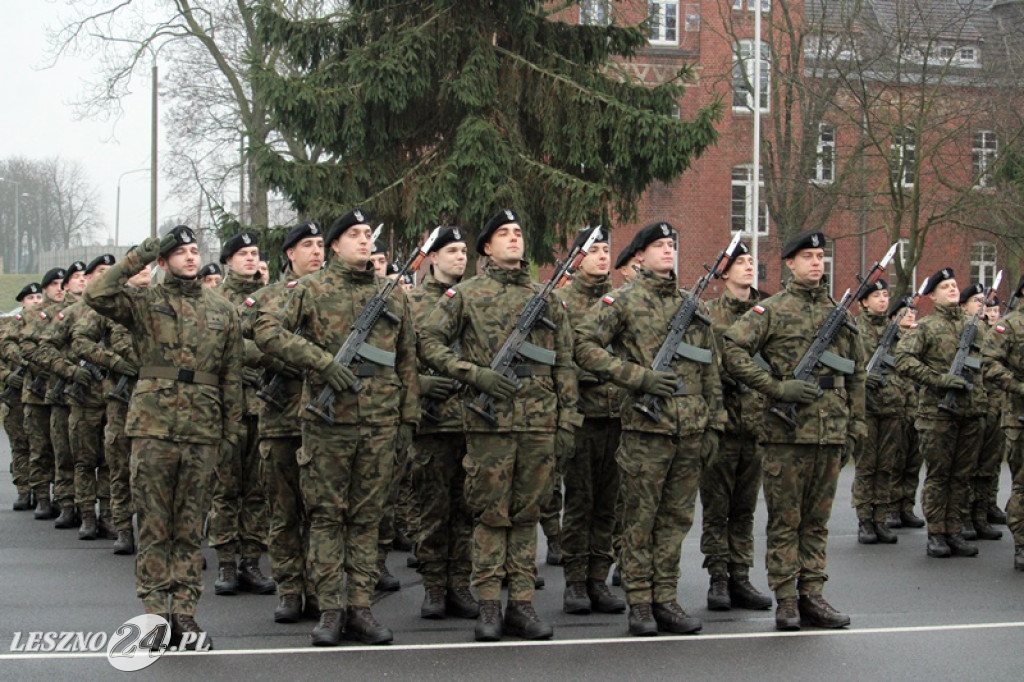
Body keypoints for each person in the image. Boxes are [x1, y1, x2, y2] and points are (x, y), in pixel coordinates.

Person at [254, 208, 419, 646]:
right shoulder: (310, 289)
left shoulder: (391, 294)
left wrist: (408, 419)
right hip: (328, 424)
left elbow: (406, 360)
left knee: (366, 519)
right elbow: (264, 329)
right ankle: (329, 609)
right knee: (327, 518)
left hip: (380, 423)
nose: (364, 241)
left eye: (367, 234)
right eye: (354, 235)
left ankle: (360, 607)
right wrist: (320, 361)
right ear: (335, 245)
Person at [419, 208, 579, 642]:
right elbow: (427, 342)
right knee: (490, 516)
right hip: (489, 423)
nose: (514, 239)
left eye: (518, 232)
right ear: (486, 247)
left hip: (539, 422)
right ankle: (489, 604)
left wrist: (568, 419)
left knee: (527, 515)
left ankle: (522, 605)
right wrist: (472, 374)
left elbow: (564, 361)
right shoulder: (465, 295)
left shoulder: (546, 297)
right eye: (503, 234)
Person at [83, 225, 244, 648]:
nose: (190, 257)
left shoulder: (222, 308)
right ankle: (155, 615)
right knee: (154, 525)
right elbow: (97, 293)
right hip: (153, 426)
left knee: (190, 527)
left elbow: (232, 374)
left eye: (194, 251)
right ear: (163, 261)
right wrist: (144, 251)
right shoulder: (145, 301)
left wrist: (231, 432)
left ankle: (185, 614)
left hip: (202, 428)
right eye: (179, 251)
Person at [575, 221, 723, 637]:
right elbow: (583, 345)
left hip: (689, 429)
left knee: (676, 520)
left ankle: (666, 598)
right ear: (639, 255)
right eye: (658, 245)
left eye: (671, 244)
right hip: (646, 428)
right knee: (640, 520)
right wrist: (637, 377)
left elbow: (709, 366)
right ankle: (640, 601)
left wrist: (715, 422)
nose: (667, 251)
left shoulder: (692, 305)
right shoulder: (621, 300)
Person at [723, 229, 863, 631]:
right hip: (786, 433)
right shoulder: (772, 310)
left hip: (829, 431)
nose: (816, 263)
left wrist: (856, 424)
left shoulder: (840, 314)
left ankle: (812, 595)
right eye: (808, 257)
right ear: (790, 263)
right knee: (785, 520)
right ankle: (786, 598)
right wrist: (775, 387)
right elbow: (731, 350)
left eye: (820, 256)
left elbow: (857, 372)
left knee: (817, 522)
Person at [248, 221, 325, 623]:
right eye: (307, 245)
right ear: (290, 253)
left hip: (325, 419)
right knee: (284, 511)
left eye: (320, 244)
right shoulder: (268, 296)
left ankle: (318, 588)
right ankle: (290, 589)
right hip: (281, 418)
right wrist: (280, 361)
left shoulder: (332, 294)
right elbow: (236, 341)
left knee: (321, 512)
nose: (316, 251)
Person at [552, 226, 627, 617]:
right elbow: (558, 358)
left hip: (619, 416)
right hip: (582, 415)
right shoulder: (561, 301)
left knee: (609, 504)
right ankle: (576, 581)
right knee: (580, 502)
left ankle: (599, 576)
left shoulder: (622, 300)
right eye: (594, 250)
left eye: (605, 250)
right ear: (578, 257)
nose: (602, 256)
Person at [405, 225, 479, 620]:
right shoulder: (411, 302)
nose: (460, 257)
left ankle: (460, 583)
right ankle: (434, 586)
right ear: (432, 257)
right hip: (432, 423)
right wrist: (420, 384)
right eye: (452, 251)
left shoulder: (475, 298)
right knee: (433, 509)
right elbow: (396, 360)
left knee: (467, 509)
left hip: (472, 419)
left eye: (464, 251)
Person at [700, 241, 773, 611]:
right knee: (717, 506)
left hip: (757, 424)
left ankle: (740, 576)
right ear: (724, 272)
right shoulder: (709, 313)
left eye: (750, 261)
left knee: (745, 508)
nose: (748, 266)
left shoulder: (768, 313)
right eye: (740, 262)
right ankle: (717, 577)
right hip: (723, 421)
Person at [894, 269, 984, 559]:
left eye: (954, 285)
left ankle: (954, 530)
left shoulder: (974, 326)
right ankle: (936, 533)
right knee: (939, 476)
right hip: (937, 414)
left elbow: (988, 362)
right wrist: (939, 379)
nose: (952, 289)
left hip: (970, 412)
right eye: (945, 287)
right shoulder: (926, 327)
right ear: (932, 295)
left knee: (961, 477)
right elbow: (903, 360)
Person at [209, 231, 276, 597]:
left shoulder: (270, 296)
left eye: (254, 253)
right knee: (225, 488)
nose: (250, 259)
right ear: (228, 261)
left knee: (256, 489)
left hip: (263, 406)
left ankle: (251, 561)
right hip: (227, 408)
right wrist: (245, 360)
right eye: (243, 254)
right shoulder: (214, 299)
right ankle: (226, 563)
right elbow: (212, 346)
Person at [36, 256, 118, 541]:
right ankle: (86, 514)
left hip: (116, 400)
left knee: (110, 463)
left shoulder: (122, 310)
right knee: (82, 461)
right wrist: (70, 371)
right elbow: (44, 349)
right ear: (89, 278)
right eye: (100, 272)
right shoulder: (72, 313)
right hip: (83, 400)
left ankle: (108, 514)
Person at [73, 260, 150, 555]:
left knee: (157, 471)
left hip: (158, 400)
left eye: (148, 267)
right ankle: (123, 528)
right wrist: (113, 362)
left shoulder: (163, 302)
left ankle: (157, 535)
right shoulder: (112, 306)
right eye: (138, 266)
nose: (144, 271)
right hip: (122, 401)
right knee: (118, 466)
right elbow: (80, 341)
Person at [851, 278, 900, 545]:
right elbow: (846, 361)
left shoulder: (894, 330)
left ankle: (880, 518)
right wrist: (861, 377)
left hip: (891, 405)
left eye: (885, 295)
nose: (882, 300)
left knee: (886, 466)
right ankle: (864, 520)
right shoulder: (854, 328)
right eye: (877, 296)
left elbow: (904, 363)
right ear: (864, 302)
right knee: (867, 466)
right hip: (865, 406)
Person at [956, 284, 1003, 542]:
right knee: (968, 466)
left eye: (983, 301)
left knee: (987, 465)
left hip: (992, 403)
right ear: (964, 306)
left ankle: (980, 515)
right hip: (970, 404)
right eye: (976, 300)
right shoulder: (961, 329)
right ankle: (963, 518)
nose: (982, 305)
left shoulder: (990, 332)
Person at [983, 280, 1024, 570]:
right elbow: (989, 364)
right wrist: (1020, 386)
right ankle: (1022, 544)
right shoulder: (1008, 326)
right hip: (1020, 416)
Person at [20, 267, 67, 521]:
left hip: (64, 392)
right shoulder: (33, 315)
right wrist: (42, 365)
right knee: (39, 448)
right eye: (54, 284)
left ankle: (63, 498)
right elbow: (20, 347)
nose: (59, 288)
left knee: (63, 450)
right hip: (38, 393)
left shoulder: (71, 311)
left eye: (62, 283)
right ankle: (41, 497)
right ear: (45, 288)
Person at [1, 283, 44, 511]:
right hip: (16, 396)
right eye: (31, 298)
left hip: (38, 393)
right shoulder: (11, 326)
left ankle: (41, 491)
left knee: (40, 446)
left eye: (38, 297)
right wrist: (7, 376)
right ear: (22, 302)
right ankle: (24, 489)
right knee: (20, 445)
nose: (36, 301)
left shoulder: (47, 322)